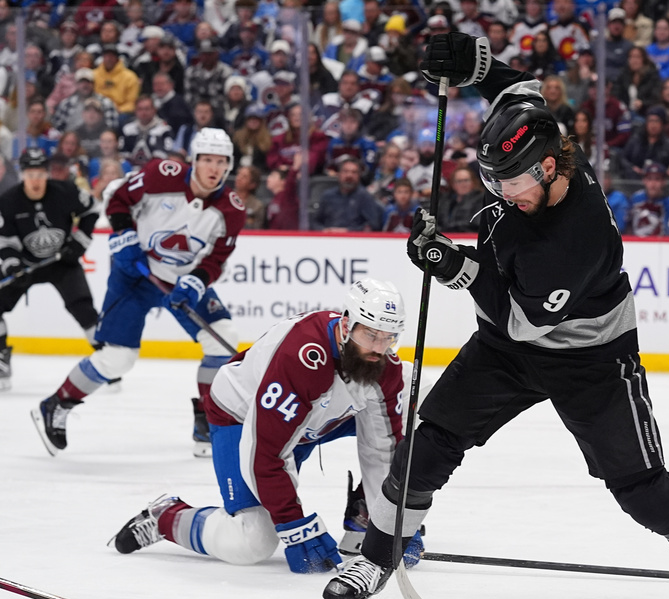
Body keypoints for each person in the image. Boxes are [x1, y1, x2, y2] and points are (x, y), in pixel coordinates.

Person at [321, 32, 669, 599]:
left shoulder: (576, 242)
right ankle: (375, 560)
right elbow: (519, 90)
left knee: (642, 488)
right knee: (429, 443)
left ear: (548, 170)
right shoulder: (542, 151)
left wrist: (453, 264)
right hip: (504, 348)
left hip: (590, 358)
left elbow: (520, 317)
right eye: (493, 182)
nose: (500, 194)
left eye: (510, 185)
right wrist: (473, 64)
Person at [108, 280, 425, 574]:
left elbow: (382, 448)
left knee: (420, 396)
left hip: (310, 421)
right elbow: (265, 452)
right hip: (242, 418)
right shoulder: (302, 358)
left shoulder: (383, 363)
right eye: (370, 334)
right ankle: (165, 516)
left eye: (388, 337)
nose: (378, 347)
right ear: (346, 324)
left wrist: (389, 520)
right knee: (252, 540)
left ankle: (364, 513)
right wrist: (293, 525)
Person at [32, 129, 245, 458]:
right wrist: (124, 235)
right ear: (194, 160)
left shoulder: (231, 208)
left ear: (228, 166)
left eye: (220, 162)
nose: (213, 168)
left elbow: (216, 259)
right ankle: (56, 403)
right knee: (118, 359)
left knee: (221, 338)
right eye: (207, 160)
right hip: (134, 273)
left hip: (180, 280)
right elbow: (118, 200)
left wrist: (195, 281)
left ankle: (208, 421)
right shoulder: (162, 174)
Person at [0, 148, 102, 392]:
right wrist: (13, 263)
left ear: (47, 174)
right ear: (23, 174)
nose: (35, 180)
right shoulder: (8, 200)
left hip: (62, 263)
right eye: (30, 174)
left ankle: (105, 361)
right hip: (26, 266)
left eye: (39, 174)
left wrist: (79, 244)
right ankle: (1, 358)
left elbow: (92, 210)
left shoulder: (65, 191)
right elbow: (5, 241)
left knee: (83, 308)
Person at [626, 161, 669, 236]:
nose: (653, 183)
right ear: (644, 181)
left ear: (664, 182)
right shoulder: (636, 198)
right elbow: (627, 225)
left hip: (660, 245)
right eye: (649, 179)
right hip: (636, 244)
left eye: (657, 179)